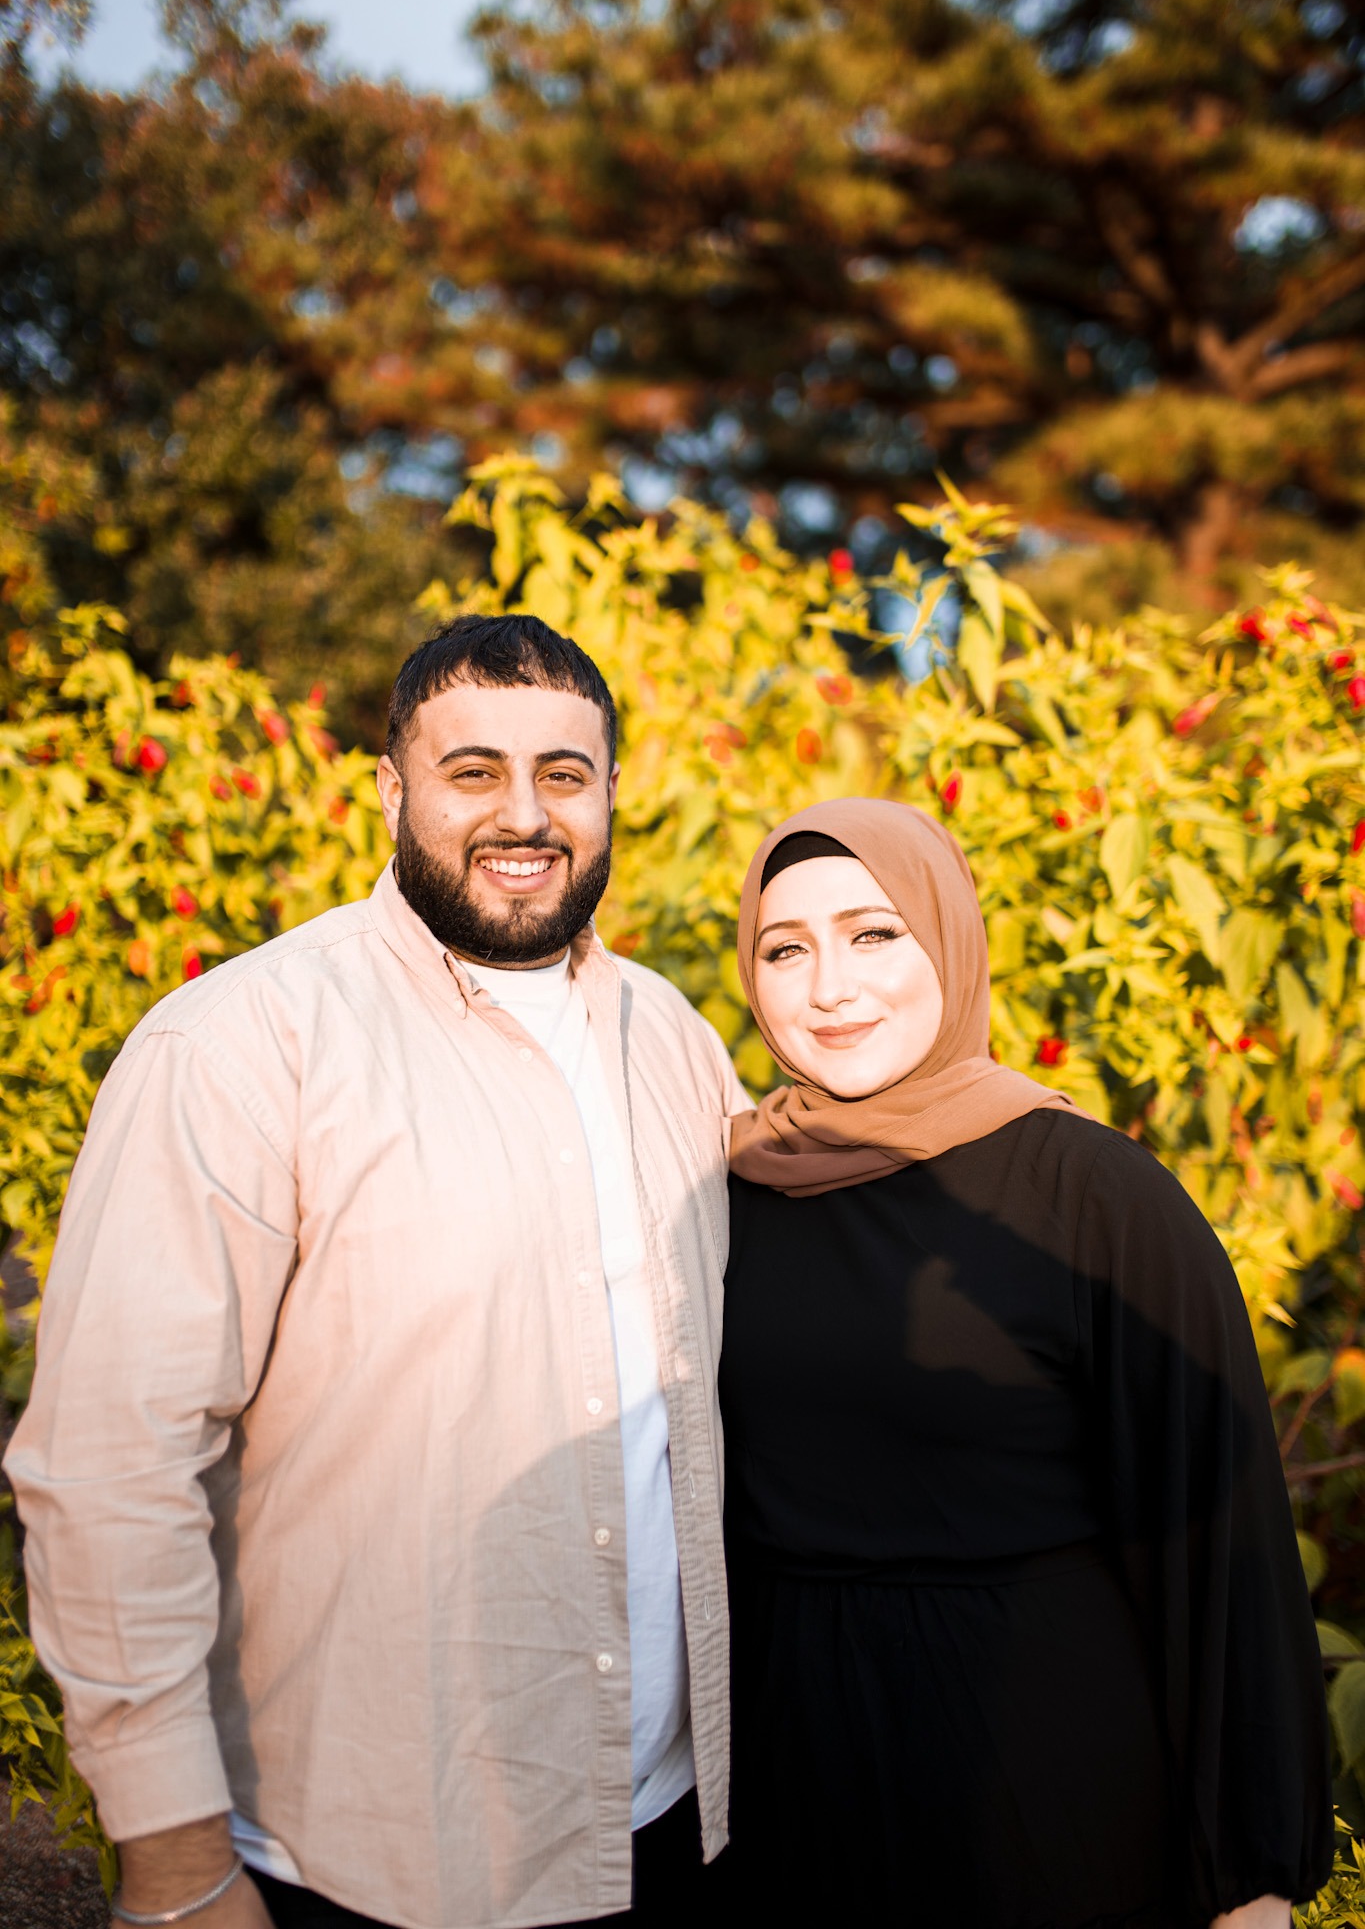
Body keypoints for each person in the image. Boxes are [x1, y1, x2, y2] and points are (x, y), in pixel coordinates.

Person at [6, 615, 748, 1929]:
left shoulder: (672, 1037)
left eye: (563, 774)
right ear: (393, 791)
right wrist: (174, 1866)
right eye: (473, 771)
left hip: (669, 1825)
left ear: (611, 792)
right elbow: (114, 1467)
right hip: (370, 1858)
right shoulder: (242, 1046)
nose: (525, 815)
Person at [718, 797, 1334, 1929]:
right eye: (785, 949)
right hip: (788, 1796)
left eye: (873, 933)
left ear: (949, 939)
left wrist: (1251, 1886)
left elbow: (1223, 1555)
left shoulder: (1094, 1196)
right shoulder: (730, 1194)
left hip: (1040, 1795)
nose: (829, 987)